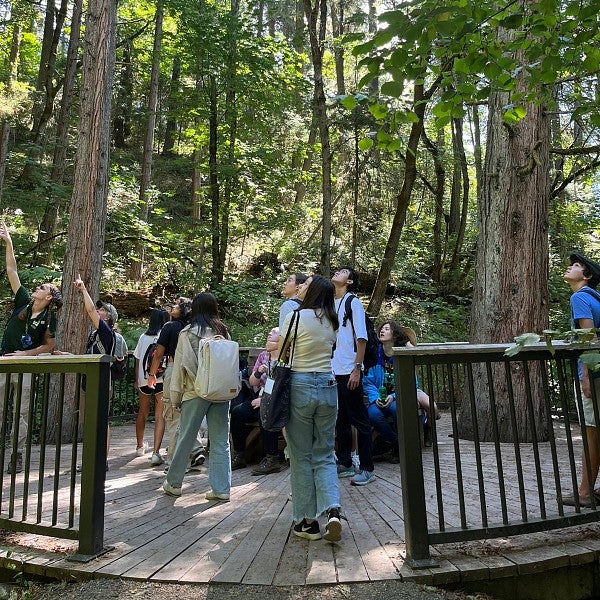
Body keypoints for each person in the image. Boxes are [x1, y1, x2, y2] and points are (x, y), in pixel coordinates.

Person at [281, 274, 342, 542]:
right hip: (328, 385)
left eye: (305, 286)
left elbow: (283, 351)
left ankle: (307, 522)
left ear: (313, 291)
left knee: (301, 455)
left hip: (301, 384)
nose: (301, 288)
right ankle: (333, 511)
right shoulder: (332, 321)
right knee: (325, 453)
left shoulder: (296, 316)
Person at [0, 223, 63, 473]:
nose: (37, 288)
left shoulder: (49, 319)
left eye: (43, 288)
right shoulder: (23, 302)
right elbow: (11, 269)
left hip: (25, 366)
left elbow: (50, 345)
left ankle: (17, 455)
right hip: (4, 362)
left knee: (22, 413)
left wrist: (26, 353)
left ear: (48, 298)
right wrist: (9, 243)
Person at [162, 292, 232, 500]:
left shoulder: (188, 333)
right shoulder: (223, 331)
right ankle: (222, 489)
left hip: (195, 391)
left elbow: (181, 368)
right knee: (220, 441)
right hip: (220, 392)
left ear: (195, 309)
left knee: (186, 437)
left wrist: (176, 397)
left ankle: (174, 483)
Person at [147, 297, 205, 470]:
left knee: (172, 415)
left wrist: (152, 374)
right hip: (192, 373)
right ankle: (195, 448)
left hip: (174, 370)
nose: (171, 306)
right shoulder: (194, 329)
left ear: (182, 309)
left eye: (176, 305)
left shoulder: (169, 327)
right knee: (186, 412)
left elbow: (159, 354)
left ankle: (174, 462)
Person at [331, 266, 375, 486]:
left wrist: (357, 368)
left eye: (343, 272)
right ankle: (345, 462)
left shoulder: (353, 302)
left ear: (349, 282)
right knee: (341, 419)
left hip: (350, 370)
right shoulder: (331, 303)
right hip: (334, 369)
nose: (338, 273)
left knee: (359, 418)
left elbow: (361, 338)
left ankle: (367, 468)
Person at [563, 252, 600, 507]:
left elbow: (589, 338)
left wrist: (586, 376)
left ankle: (585, 493)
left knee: (591, 432)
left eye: (576, 266)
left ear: (586, 276)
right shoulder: (597, 299)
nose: (569, 268)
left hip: (594, 373)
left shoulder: (580, 297)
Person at [73, 274, 119, 469]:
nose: (98, 311)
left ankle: (101, 460)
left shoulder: (106, 332)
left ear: (107, 317)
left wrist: (83, 289)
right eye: (99, 309)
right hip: (87, 382)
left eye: (102, 310)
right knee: (89, 422)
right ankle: (91, 459)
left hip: (99, 382)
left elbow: (90, 309)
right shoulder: (94, 334)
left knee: (101, 421)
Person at [230, 327, 282, 475]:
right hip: (259, 397)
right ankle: (240, 455)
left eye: (273, 332)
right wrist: (259, 372)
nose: (269, 334)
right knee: (238, 412)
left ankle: (272, 458)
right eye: (269, 333)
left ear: (281, 339)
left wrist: (264, 400)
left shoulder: (285, 358)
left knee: (265, 413)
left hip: (277, 402)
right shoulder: (263, 356)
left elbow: (282, 387)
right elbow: (253, 382)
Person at [133, 307, 169, 465]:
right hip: (160, 379)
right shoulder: (164, 335)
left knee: (142, 412)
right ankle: (155, 452)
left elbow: (137, 358)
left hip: (144, 379)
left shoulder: (143, 337)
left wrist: (137, 379)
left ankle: (140, 446)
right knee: (159, 414)